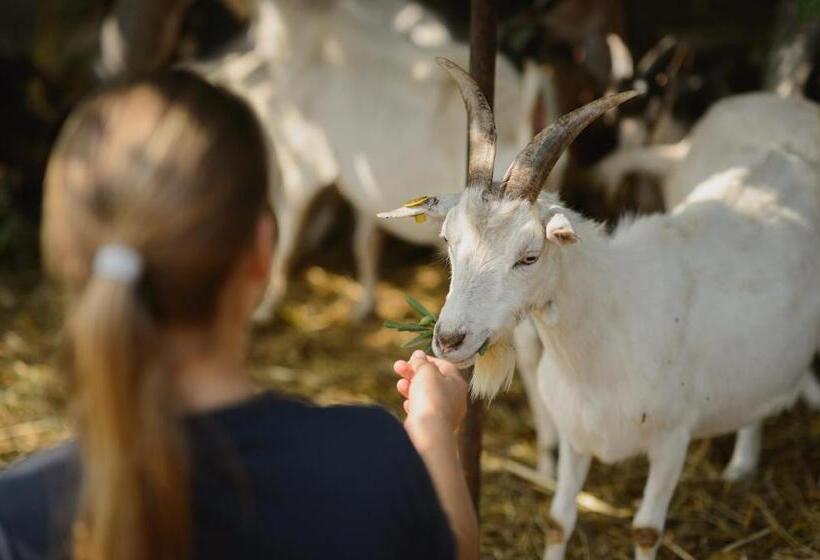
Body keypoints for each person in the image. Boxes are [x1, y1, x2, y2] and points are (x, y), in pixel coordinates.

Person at [0, 71, 478, 560]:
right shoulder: (369, 463)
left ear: (63, 256)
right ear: (262, 249)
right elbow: (454, 548)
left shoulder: (17, 520)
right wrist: (433, 424)